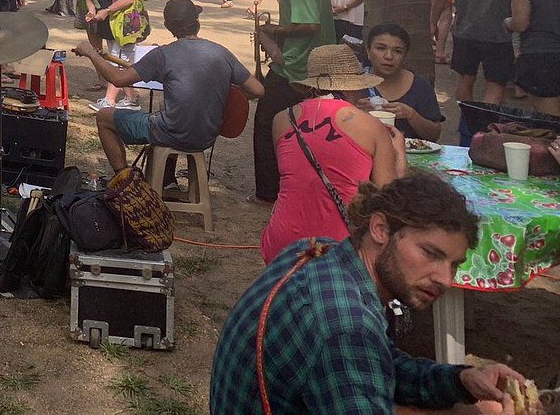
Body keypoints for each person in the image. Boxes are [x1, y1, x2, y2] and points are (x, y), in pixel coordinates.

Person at [213, 173, 528, 415]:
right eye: (431, 254)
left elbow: (381, 362)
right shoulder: (348, 325)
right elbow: (358, 348)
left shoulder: (319, 251)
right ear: (381, 229)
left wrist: (460, 381)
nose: (445, 279)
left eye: (454, 264)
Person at [72, 0, 263, 172]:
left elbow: (118, 79)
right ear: (197, 22)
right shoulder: (221, 53)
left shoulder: (163, 55)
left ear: (168, 27)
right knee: (166, 108)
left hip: (171, 132)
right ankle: (167, 180)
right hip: (206, 136)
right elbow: (258, 90)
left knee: (104, 116)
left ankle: (124, 180)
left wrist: (91, 52)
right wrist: (218, 93)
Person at [260, 44, 406, 263]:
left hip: (282, 240)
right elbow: (389, 197)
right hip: (337, 245)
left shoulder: (282, 119)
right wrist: (399, 155)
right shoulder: (371, 127)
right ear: (351, 88)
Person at [251, 0, 336, 204]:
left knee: (266, 126)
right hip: (305, 61)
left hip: (297, 65)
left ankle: (268, 192)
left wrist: (276, 31)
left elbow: (310, 24)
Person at [79, 0, 143, 109]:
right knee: (121, 59)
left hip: (127, 25)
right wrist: (92, 10)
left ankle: (109, 100)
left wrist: (107, 10)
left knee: (118, 59)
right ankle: (131, 98)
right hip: (109, 25)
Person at [355, 23, 444, 143]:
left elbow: (434, 135)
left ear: (405, 55)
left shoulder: (420, 86)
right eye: (381, 48)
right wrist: (355, 113)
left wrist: (411, 115)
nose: (389, 56)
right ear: (368, 51)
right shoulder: (354, 84)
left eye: (397, 51)